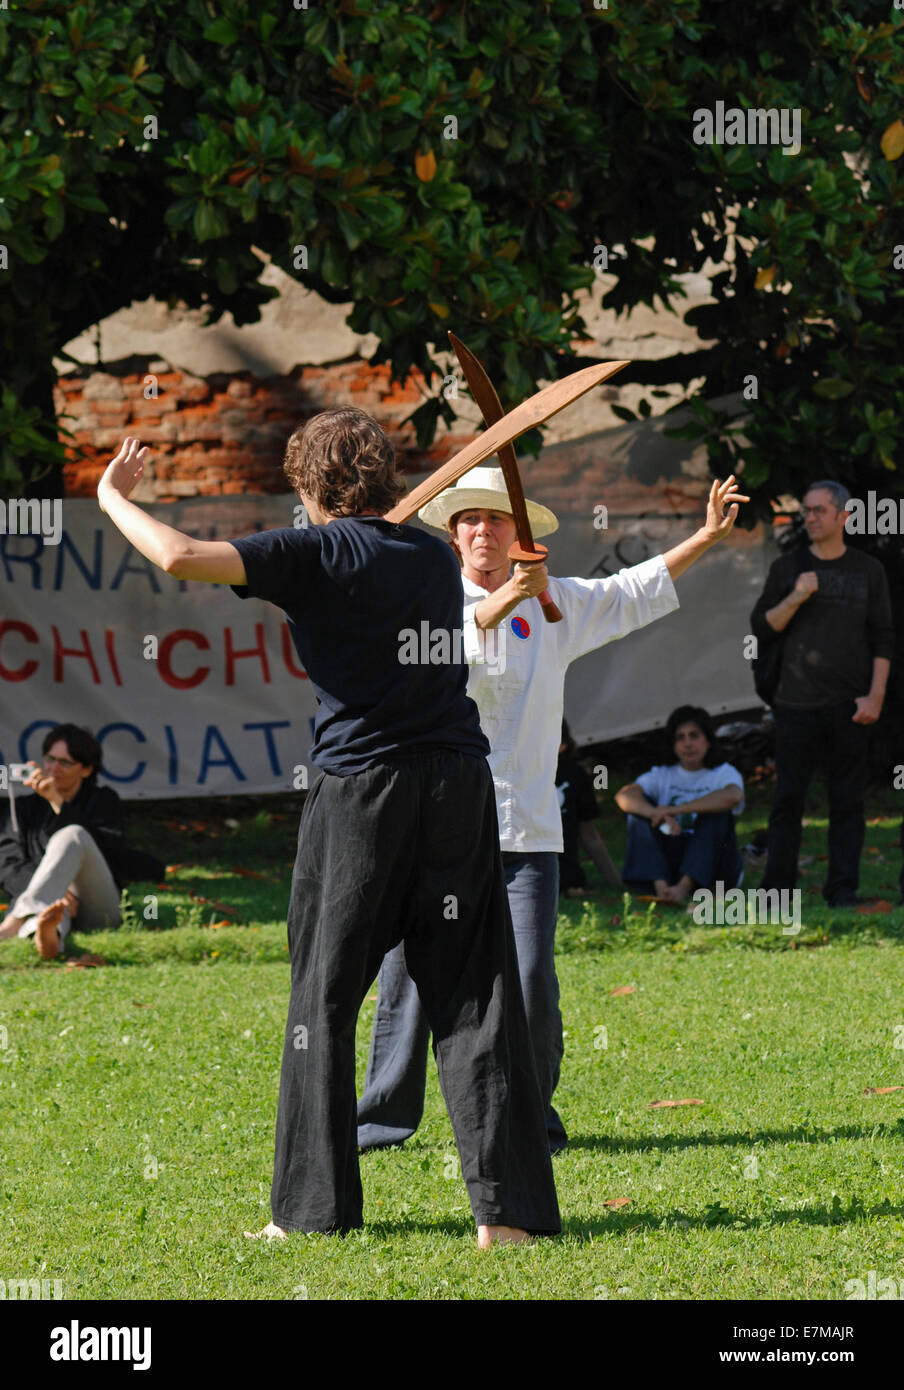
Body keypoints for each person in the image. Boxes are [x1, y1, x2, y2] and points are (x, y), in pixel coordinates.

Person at [95, 422, 560, 1249]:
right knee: (476, 992)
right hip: (457, 782)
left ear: (306, 487)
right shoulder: (426, 556)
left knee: (324, 996)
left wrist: (108, 498)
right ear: (383, 478)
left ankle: (310, 1215)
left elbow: (178, 556)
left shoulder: (313, 554)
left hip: (364, 791)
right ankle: (510, 1218)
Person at [357, 464, 748, 1154]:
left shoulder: (555, 607)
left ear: (521, 534)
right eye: (469, 520)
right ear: (452, 536)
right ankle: (382, 1122)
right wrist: (513, 593)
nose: (483, 529)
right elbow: (446, 652)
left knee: (531, 983)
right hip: (432, 826)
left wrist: (709, 536)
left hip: (527, 827)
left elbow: (634, 590)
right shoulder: (427, 602)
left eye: (497, 518)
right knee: (411, 978)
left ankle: (531, 1118)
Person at [750, 481, 894, 906]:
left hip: (850, 706)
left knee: (847, 803)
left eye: (818, 511)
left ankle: (842, 892)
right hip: (795, 705)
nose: (810, 518)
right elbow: (763, 626)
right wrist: (797, 596)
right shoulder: (788, 567)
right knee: (787, 802)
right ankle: (777, 895)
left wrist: (876, 697)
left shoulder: (868, 570)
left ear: (843, 516)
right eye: (807, 511)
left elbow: (884, 638)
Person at [0, 724, 160, 959]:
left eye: (65, 762)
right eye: (51, 759)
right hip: (52, 901)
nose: (54, 768)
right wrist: (58, 891)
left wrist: (57, 802)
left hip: (97, 905)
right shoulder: (23, 808)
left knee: (73, 834)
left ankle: (14, 923)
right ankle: (46, 938)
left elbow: (112, 854)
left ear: (85, 770)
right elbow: (7, 864)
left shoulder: (103, 801)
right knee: (53, 910)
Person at [615, 705, 744, 903]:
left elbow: (733, 796)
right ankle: (661, 884)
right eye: (680, 737)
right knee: (638, 811)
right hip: (673, 853)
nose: (688, 744)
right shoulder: (663, 773)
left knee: (717, 812)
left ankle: (685, 887)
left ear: (708, 740)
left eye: (694, 735)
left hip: (714, 862)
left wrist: (675, 810)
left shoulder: (724, 772)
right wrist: (655, 813)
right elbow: (624, 796)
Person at [556, 720, 621, 896]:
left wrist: (615, 882)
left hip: (565, 874)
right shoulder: (517, 775)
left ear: (562, 746)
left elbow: (589, 835)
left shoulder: (574, 775)